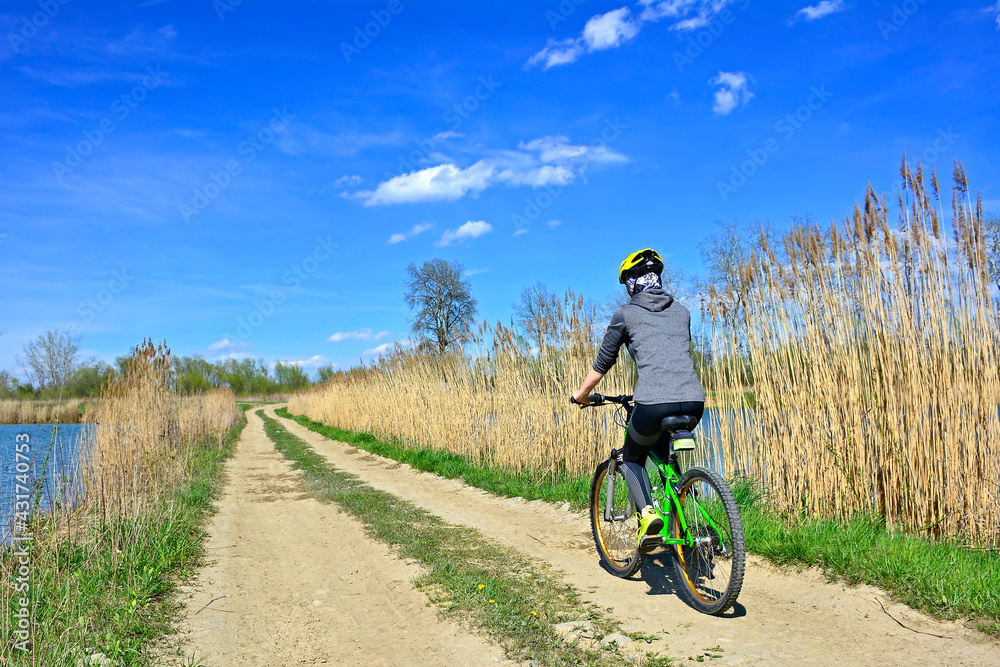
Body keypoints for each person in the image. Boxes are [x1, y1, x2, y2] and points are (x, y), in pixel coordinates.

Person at [572, 248, 706, 545]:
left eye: (626, 282)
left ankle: (648, 515)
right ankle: (685, 513)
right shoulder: (682, 311)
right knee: (664, 454)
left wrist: (581, 395)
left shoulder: (626, 313)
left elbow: (602, 364)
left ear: (632, 282)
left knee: (632, 457)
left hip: (653, 403)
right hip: (695, 402)